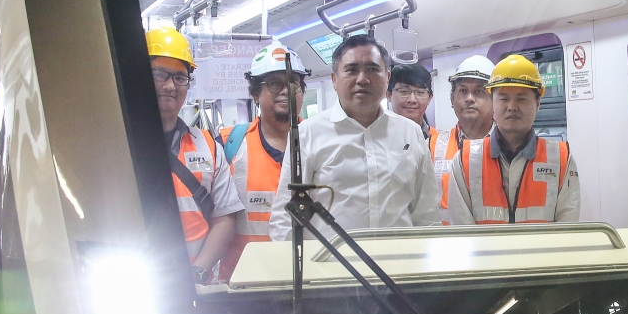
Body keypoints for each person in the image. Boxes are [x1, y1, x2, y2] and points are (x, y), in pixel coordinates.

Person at [269, 34, 441, 240]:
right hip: (331, 259)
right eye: (351, 70)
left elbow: (426, 214)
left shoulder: (410, 133)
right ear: (334, 79)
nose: (362, 79)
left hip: (396, 258)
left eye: (372, 69)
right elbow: (286, 218)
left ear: (387, 77)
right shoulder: (308, 134)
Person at [146, 26, 243, 285]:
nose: (170, 86)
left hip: (196, 285)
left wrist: (198, 273)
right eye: (159, 74)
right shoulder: (116, 143)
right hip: (133, 286)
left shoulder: (207, 145)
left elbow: (224, 218)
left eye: (180, 77)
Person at [449, 54, 580, 225]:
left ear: (538, 104)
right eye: (503, 99)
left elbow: (567, 229)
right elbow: (462, 230)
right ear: (493, 103)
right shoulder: (464, 160)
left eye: (521, 99)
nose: (512, 106)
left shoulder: (561, 158)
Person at [217, 41, 309, 281]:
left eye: (294, 83)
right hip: (243, 282)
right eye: (275, 84)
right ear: (256, 94)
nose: (286, 91)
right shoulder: (228, 145)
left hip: (307, 279)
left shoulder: (322, 142)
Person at [431, 55, 497, 222]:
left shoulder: (510, 146)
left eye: (479, 91)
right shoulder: (431, 146)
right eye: (462, 91)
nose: (469, 98)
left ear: (495, 100)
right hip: (448, 238)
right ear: (452, 99)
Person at [387, 64, 434, 139]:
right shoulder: (375, 137)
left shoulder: (440, 141)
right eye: (404, 91)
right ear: (389, 95)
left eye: (420, 92)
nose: (412, 100)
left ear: (429, 98)